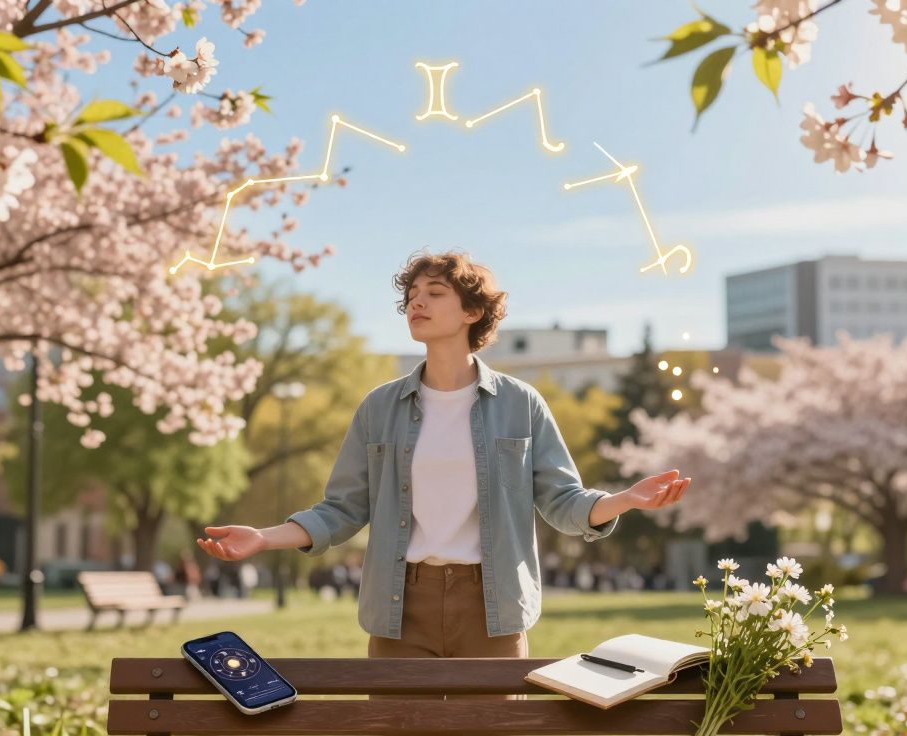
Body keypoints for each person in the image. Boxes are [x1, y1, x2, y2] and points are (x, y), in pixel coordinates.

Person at [195, 249, 692, 701]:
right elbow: (342, 509)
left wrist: (625, 499)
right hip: (400, 606)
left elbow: (564, 502)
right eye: (412, 296)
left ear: (472, 312)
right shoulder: (379, 407)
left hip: (492, 609)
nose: (417, 303)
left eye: (435, 293)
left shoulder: (521, 404)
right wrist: (262, 538)